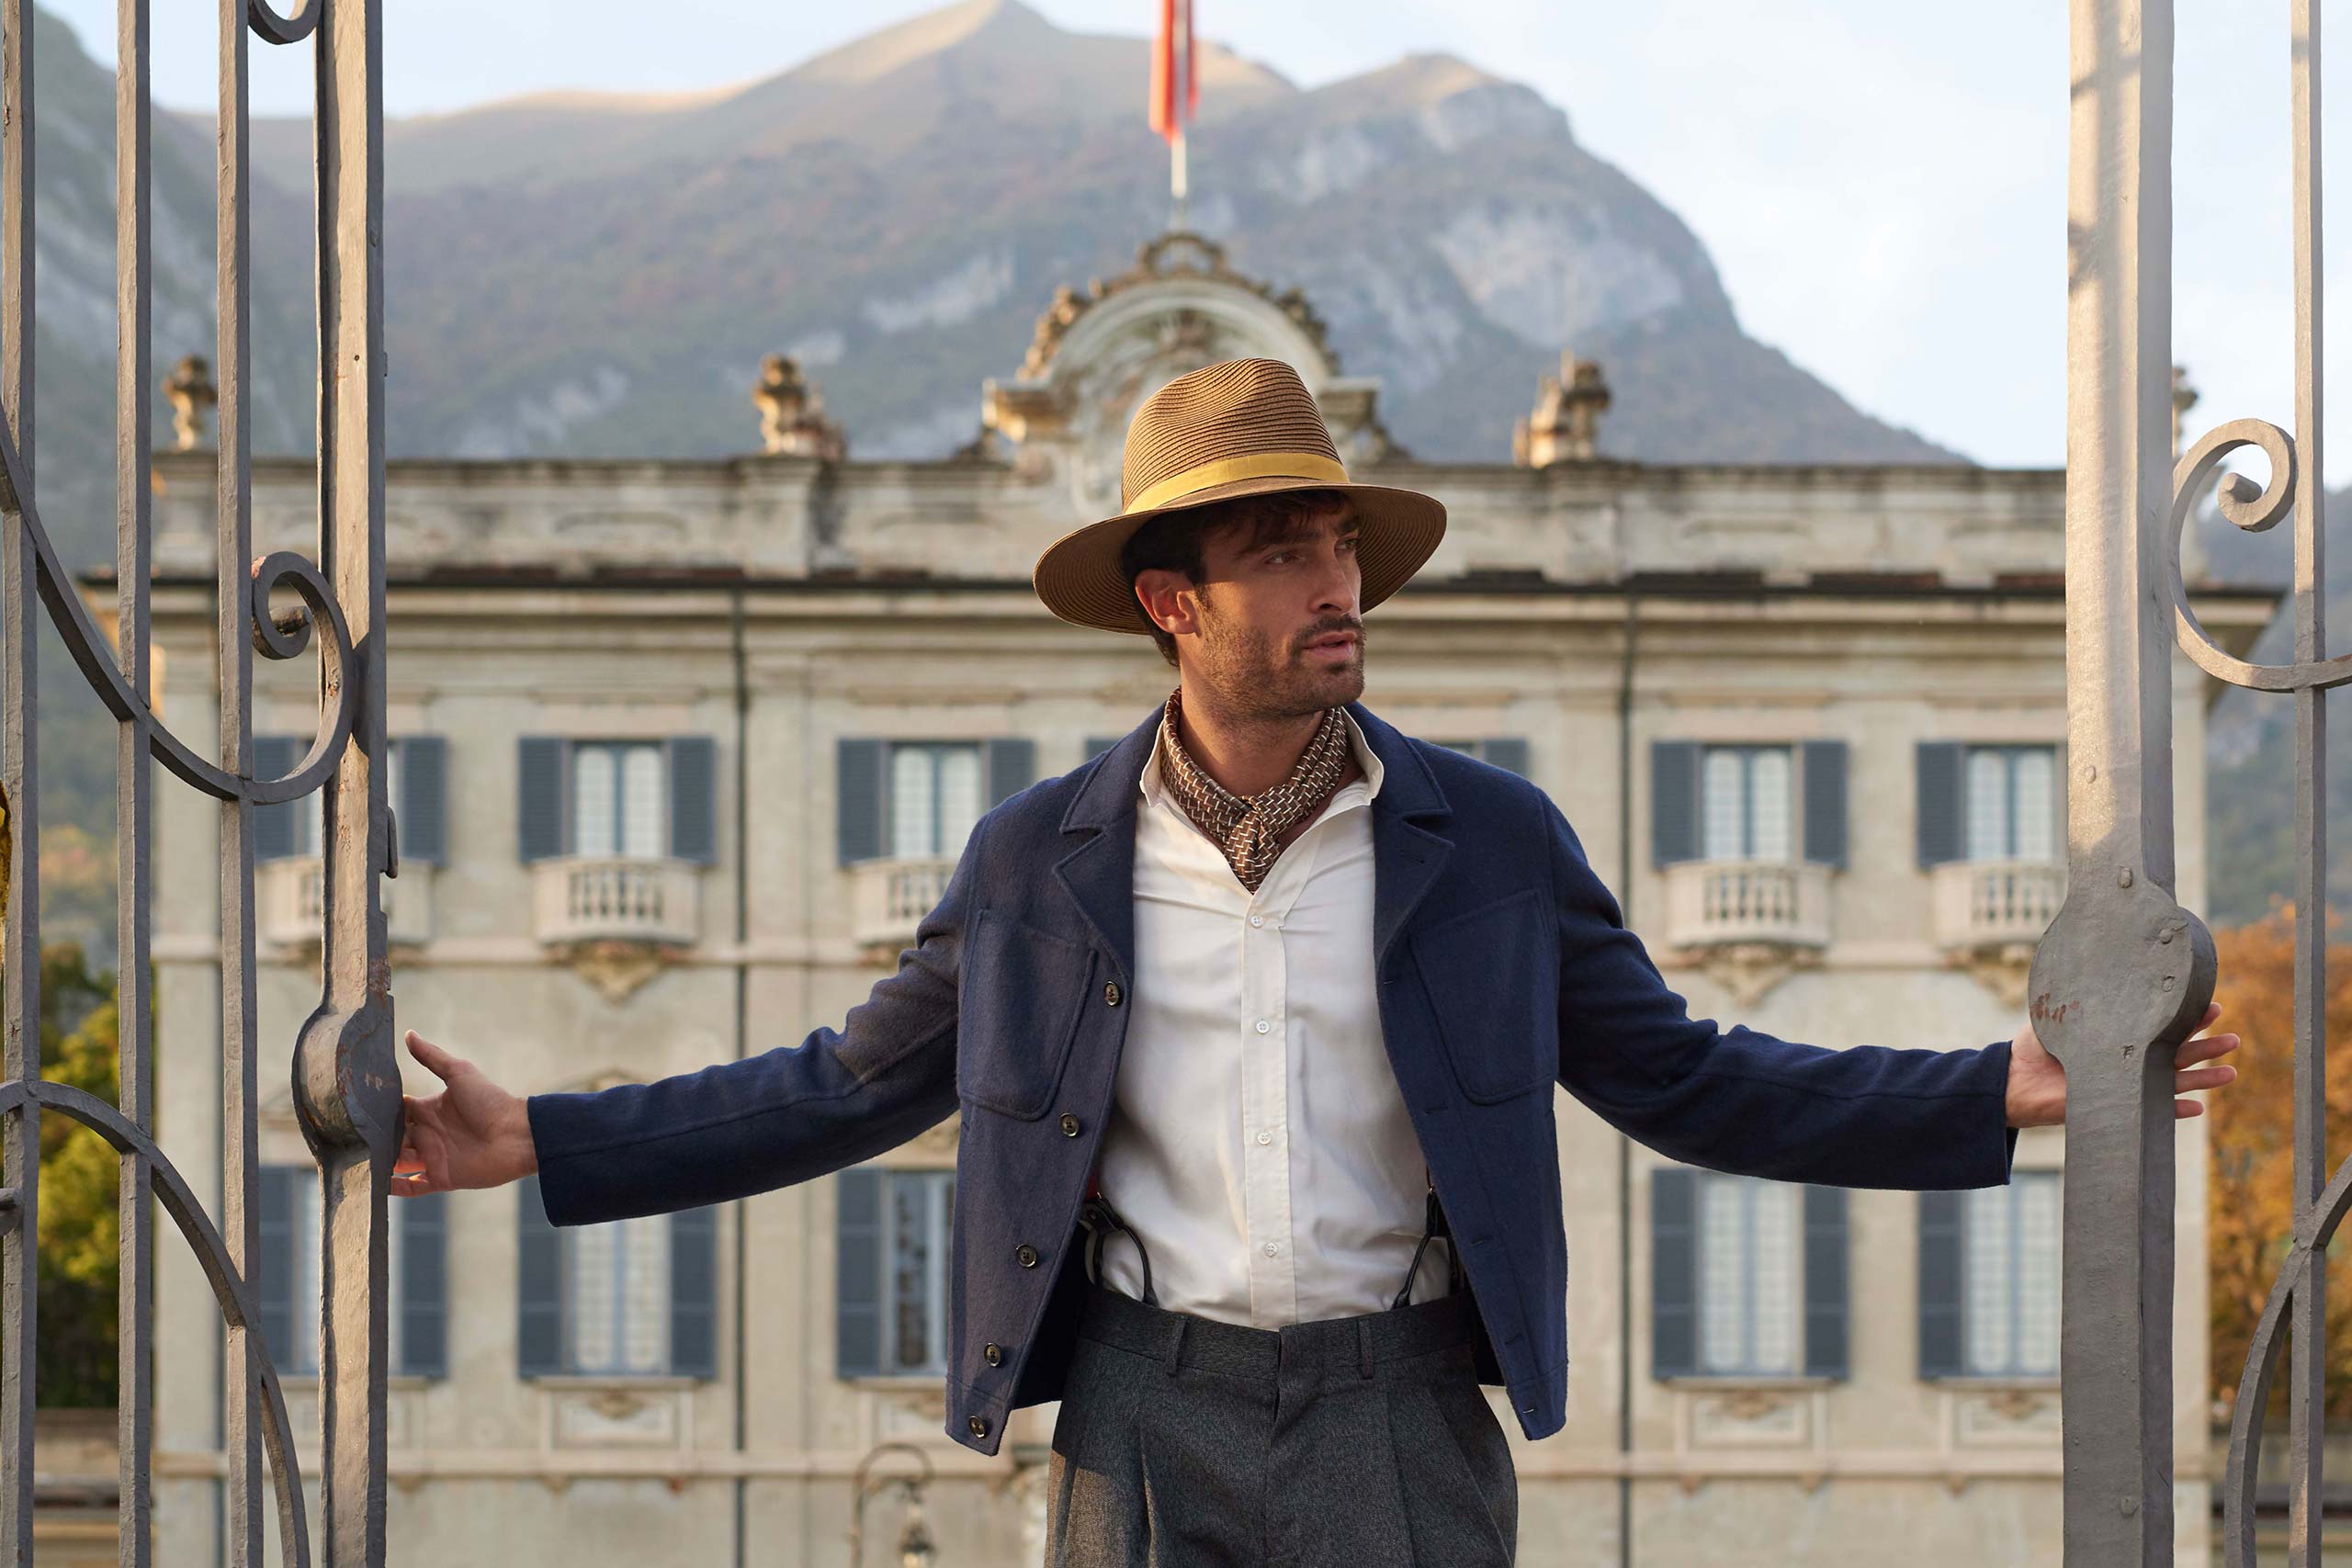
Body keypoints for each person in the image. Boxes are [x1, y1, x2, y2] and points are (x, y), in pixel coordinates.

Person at [391, 356, 2241, 1567]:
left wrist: (1998, 1090)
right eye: (1281, 553)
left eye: (1342, 546)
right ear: (1171, 602)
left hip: (1403, 1413)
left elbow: (1689, 1073)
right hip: (1140, 1408)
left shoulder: (1489, 843)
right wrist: (541, 1135)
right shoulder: (1038, 862)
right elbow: (838, 1082)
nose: (1334, 583)